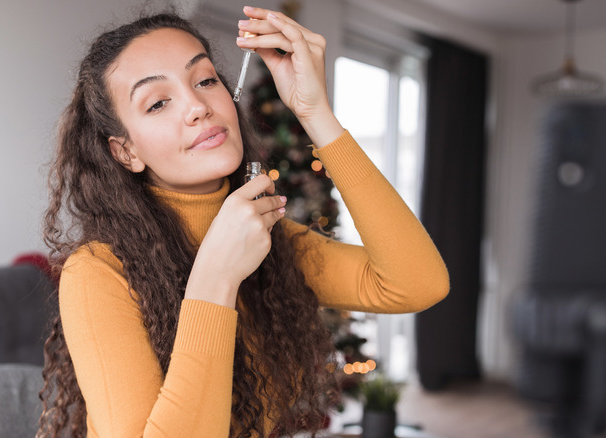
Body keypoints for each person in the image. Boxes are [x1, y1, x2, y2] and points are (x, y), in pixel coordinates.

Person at [38, 6, 449, 438]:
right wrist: (216, 276)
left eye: (206, 80)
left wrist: (316, 114)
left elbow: (418, 282)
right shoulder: (97, 273)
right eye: (158, 102)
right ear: (126, 152)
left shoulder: (266, 236)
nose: (198, 106)